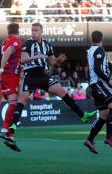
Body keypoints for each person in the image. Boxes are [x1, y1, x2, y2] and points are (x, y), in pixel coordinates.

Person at [7, 22, 97, 150]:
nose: (33, 32)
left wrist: (58, 61)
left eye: (36, 30)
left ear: (41, 32)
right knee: (23, 99)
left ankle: (82, 115)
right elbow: (22, 59)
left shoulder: (46, 44)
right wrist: (36, 57)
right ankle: (11, 132)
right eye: (32, 30)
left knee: (62, 92)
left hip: (42, 75)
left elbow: (52, 61)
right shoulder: (28, 43)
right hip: (31, 75)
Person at [84, 30, 112, 154]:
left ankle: (90, 139)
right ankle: (109, 137)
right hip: (100, 83)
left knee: (104, 115)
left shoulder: (91, 50)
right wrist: (109, 81)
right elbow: (97, 68)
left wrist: (111, 66)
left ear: (91, 40)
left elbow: (98, 64)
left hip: (95, 85)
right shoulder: (99, 50)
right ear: (102, 39)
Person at [0, 23, 22, 148]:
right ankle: (5, 129)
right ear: (18, 31)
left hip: (10, 75)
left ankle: (10, 136)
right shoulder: (15, 41)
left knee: (15, 104)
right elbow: (7, 54)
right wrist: (1, 69)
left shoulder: (4, 41)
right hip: (9, 75)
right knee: (14, 103)